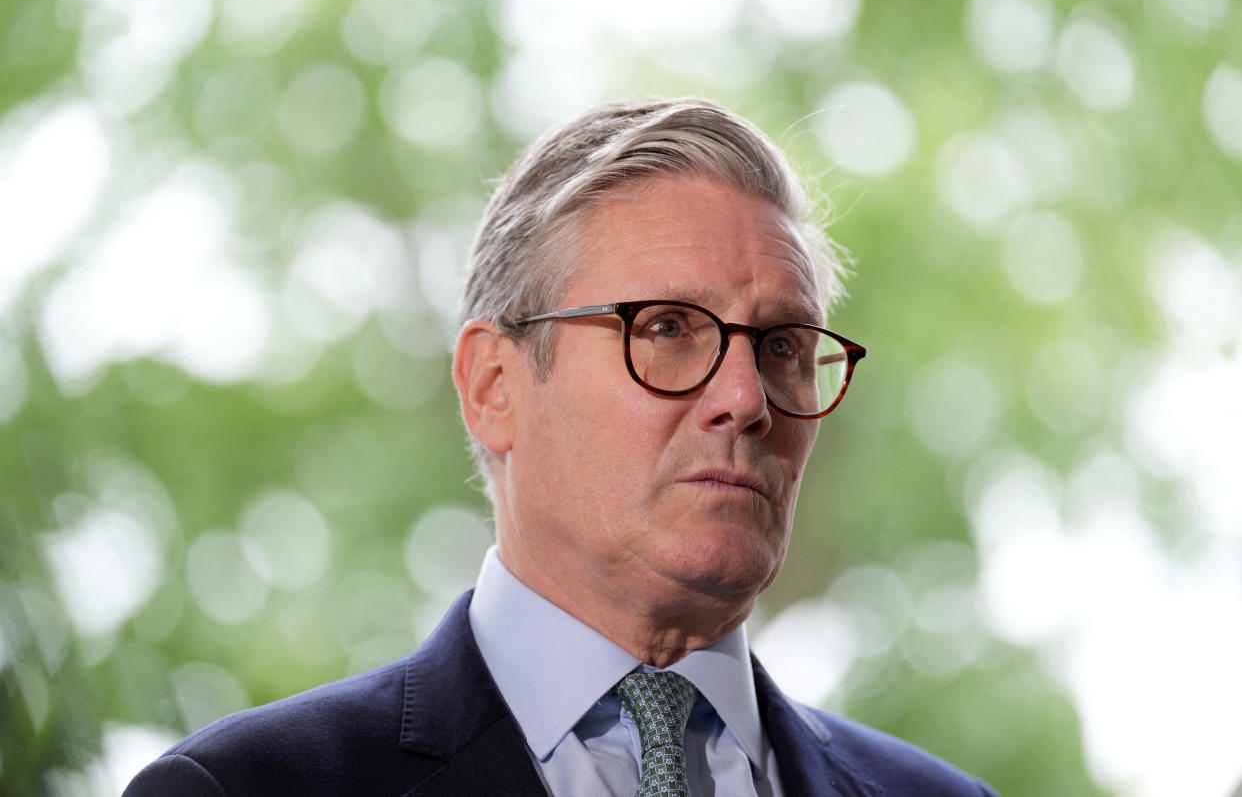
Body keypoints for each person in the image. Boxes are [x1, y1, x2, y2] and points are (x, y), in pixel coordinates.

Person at [125, 97, 999, 796]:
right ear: (493, 386)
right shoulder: (244, 787)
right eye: (665, 328)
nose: (744, 400)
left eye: (780, 348)